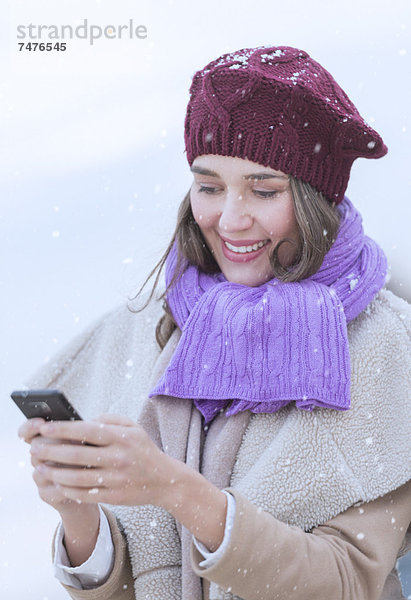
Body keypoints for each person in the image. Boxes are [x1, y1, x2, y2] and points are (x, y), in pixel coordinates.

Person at [19, 45, 410, 600]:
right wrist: (78, 510)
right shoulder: (148, 330)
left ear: (315, 198)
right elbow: (136, 586)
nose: (229, 219)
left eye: (265, 190)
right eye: (209, 186)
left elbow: (345, 583)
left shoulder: (389, 349)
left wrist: (178, 490)